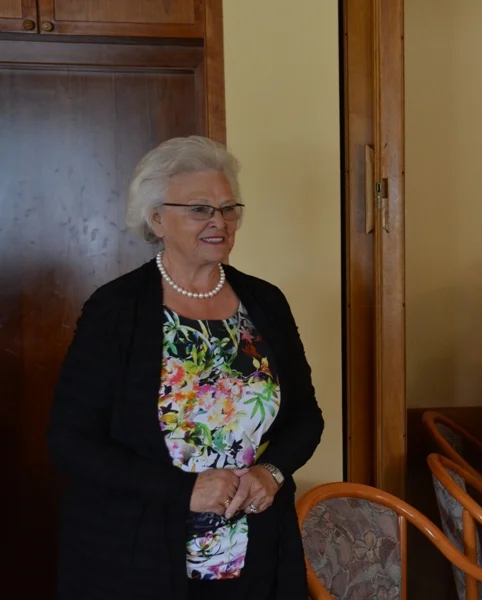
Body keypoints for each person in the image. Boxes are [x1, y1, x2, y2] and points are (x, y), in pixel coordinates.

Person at [47, 136, 325, 600]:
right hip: (135, 557)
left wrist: (271, 472)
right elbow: (70, 441)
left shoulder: (266, 303)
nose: (219, 221)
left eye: (229, 208)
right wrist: (184, 491)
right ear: (156, 218)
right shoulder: (116, 309)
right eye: (200, 209)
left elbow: (305, 417)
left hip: (254, 553)